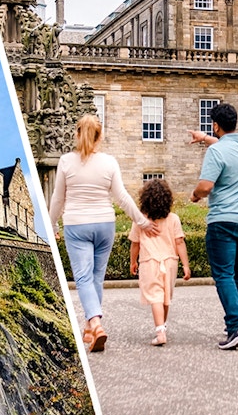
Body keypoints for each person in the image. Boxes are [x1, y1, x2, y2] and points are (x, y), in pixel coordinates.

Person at [49, 114, 158, 352]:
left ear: (77, 134)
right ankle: (90, 328)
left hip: (77, 225)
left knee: (84, 278)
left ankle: (96, 324)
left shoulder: (67, 161)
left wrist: (52, 224)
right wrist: (141, 221)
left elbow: (58, 199)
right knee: (96, 277)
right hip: (105, 224)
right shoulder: (109, 162)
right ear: (100, 137)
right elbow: (122, 197)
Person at [189, 103, 238, 350]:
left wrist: (195, 195)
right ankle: (235, 327)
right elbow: (228, 148)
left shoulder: (216, 153)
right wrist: (204, 138)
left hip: (224, 221)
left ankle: (237, 325)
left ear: (215, 125)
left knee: (224, 274)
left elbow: (205, 187)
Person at [129, 179, 190, 346]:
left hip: (150, 262)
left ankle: (160, 331)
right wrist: (185, 265)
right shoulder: (174, 219)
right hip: (170, 262)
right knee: (165, 297)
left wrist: (133, 262)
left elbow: (135, 244)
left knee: (155, 297)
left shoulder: (140, 220)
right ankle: (162, 325)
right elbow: (179, 242)